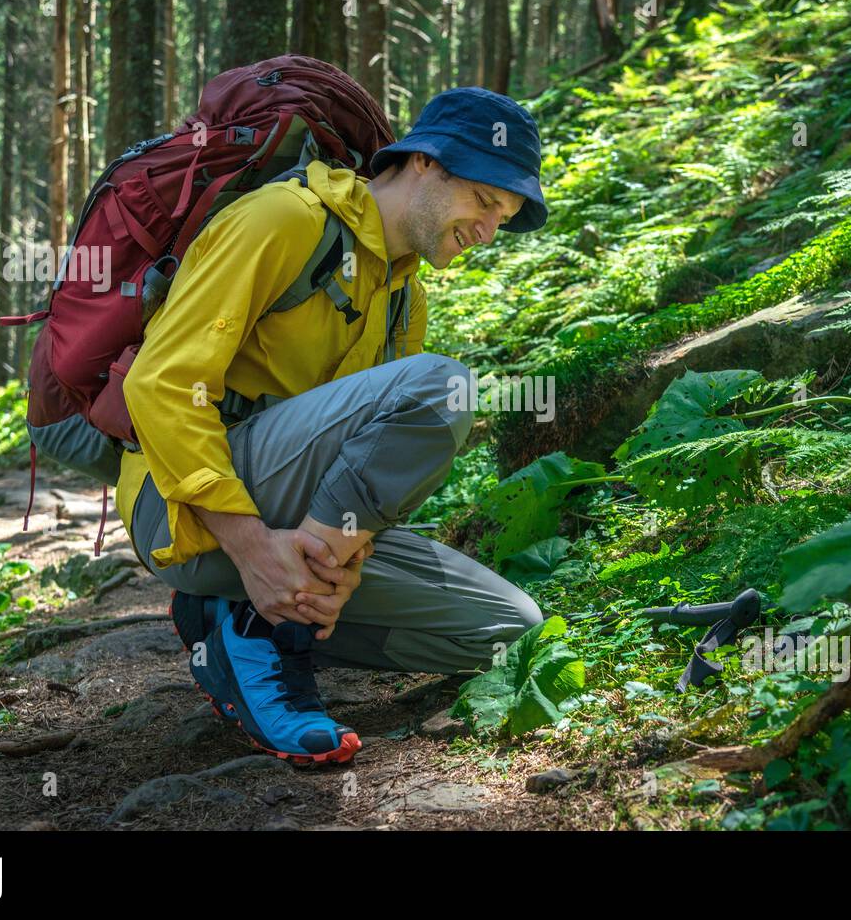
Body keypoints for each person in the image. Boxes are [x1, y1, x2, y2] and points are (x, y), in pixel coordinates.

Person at [116, 87, 549, 764]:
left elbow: (364, 467)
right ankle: (262, 613)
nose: (488, 229)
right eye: (486, 202)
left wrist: (351, 559)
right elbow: (161, 383)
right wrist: (254, 547)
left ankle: (249, 612)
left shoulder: (406, 296)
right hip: (183, 512)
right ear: (427, 163)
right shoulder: (284, 220)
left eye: (505, 216)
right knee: (445, 387)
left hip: (288, 527)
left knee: (508, 628)